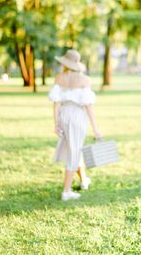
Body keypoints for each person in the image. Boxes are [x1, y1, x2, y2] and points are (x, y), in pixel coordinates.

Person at [48, 49, 102, 201]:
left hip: (64, 114)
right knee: (75, 152)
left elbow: (56, 103)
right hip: (77, 115)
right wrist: (96, 128)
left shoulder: (59, 78)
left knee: (74, 148)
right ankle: (66, 192)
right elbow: (88, 106)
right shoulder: (85, 80)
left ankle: (83, 180)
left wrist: (56, 123)